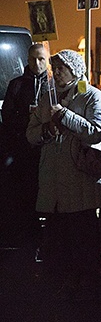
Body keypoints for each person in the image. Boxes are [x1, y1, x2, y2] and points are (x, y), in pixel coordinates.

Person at [25, 49, 101, 300]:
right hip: (53, 181)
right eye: (55, 66)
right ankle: (58, 283)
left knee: (82, 235)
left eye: (61, 66)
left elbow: (96, 131)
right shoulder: (46, 97)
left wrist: (64, 115)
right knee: (56, 238)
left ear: (75, 69)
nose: (57, 71)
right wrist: (47, 130)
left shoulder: (93, 96)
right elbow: (30, 134)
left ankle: (88, 284)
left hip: (79, 179)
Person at [2, 43, 50, 246]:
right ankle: (26, 231)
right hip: (23, 146)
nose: (37, 63)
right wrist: (28, 122)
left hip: (47, 147)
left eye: (41, 59)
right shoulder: (17, 84)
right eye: (33, 59)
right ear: (27, 60)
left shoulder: (53, 84)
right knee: (25, 189)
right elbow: (7, 115)